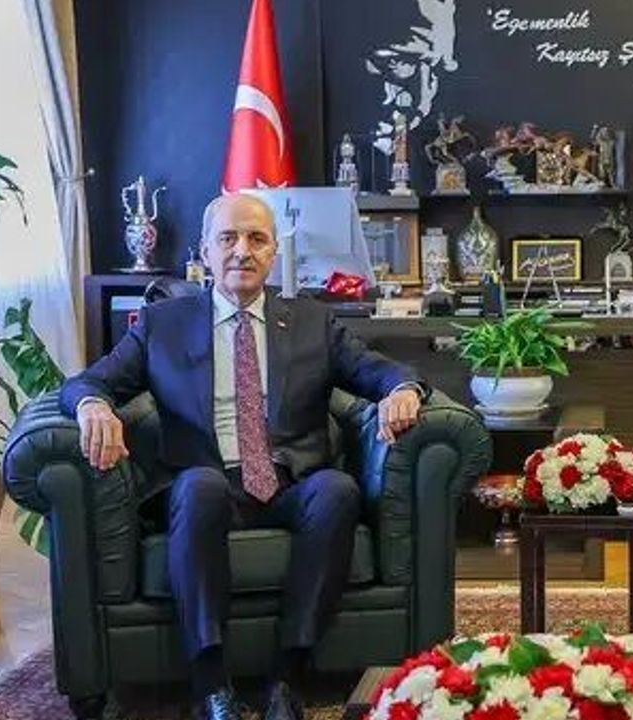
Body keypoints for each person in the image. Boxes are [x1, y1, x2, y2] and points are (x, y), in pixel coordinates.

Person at [59, 194, 428, 720]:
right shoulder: (163, 324)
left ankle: (289, 677)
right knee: (201, 486)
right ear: (206, 250)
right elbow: (88, 382)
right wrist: (93, 406)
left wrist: (403, 391)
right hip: (204, 485)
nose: (242, 251)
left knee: (337, 489)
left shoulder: (312, 322)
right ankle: (211, 684)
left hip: (290, 482)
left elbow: (380, 370)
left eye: (256, 239)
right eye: (228, 238)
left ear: (274, 252)